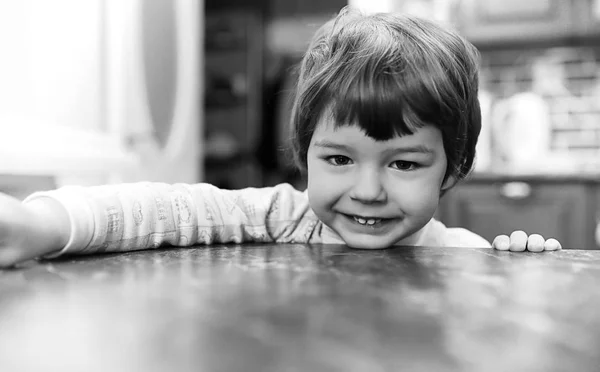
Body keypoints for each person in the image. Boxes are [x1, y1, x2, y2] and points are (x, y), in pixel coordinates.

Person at [0, 8, 561, 268]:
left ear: (453, 168)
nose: (366, 190)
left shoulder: (464, 257)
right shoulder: (286, 216)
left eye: (404, 164)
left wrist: (520, 265)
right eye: (339, 158)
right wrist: (45, 224)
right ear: (305, 153)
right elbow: (167, 208)